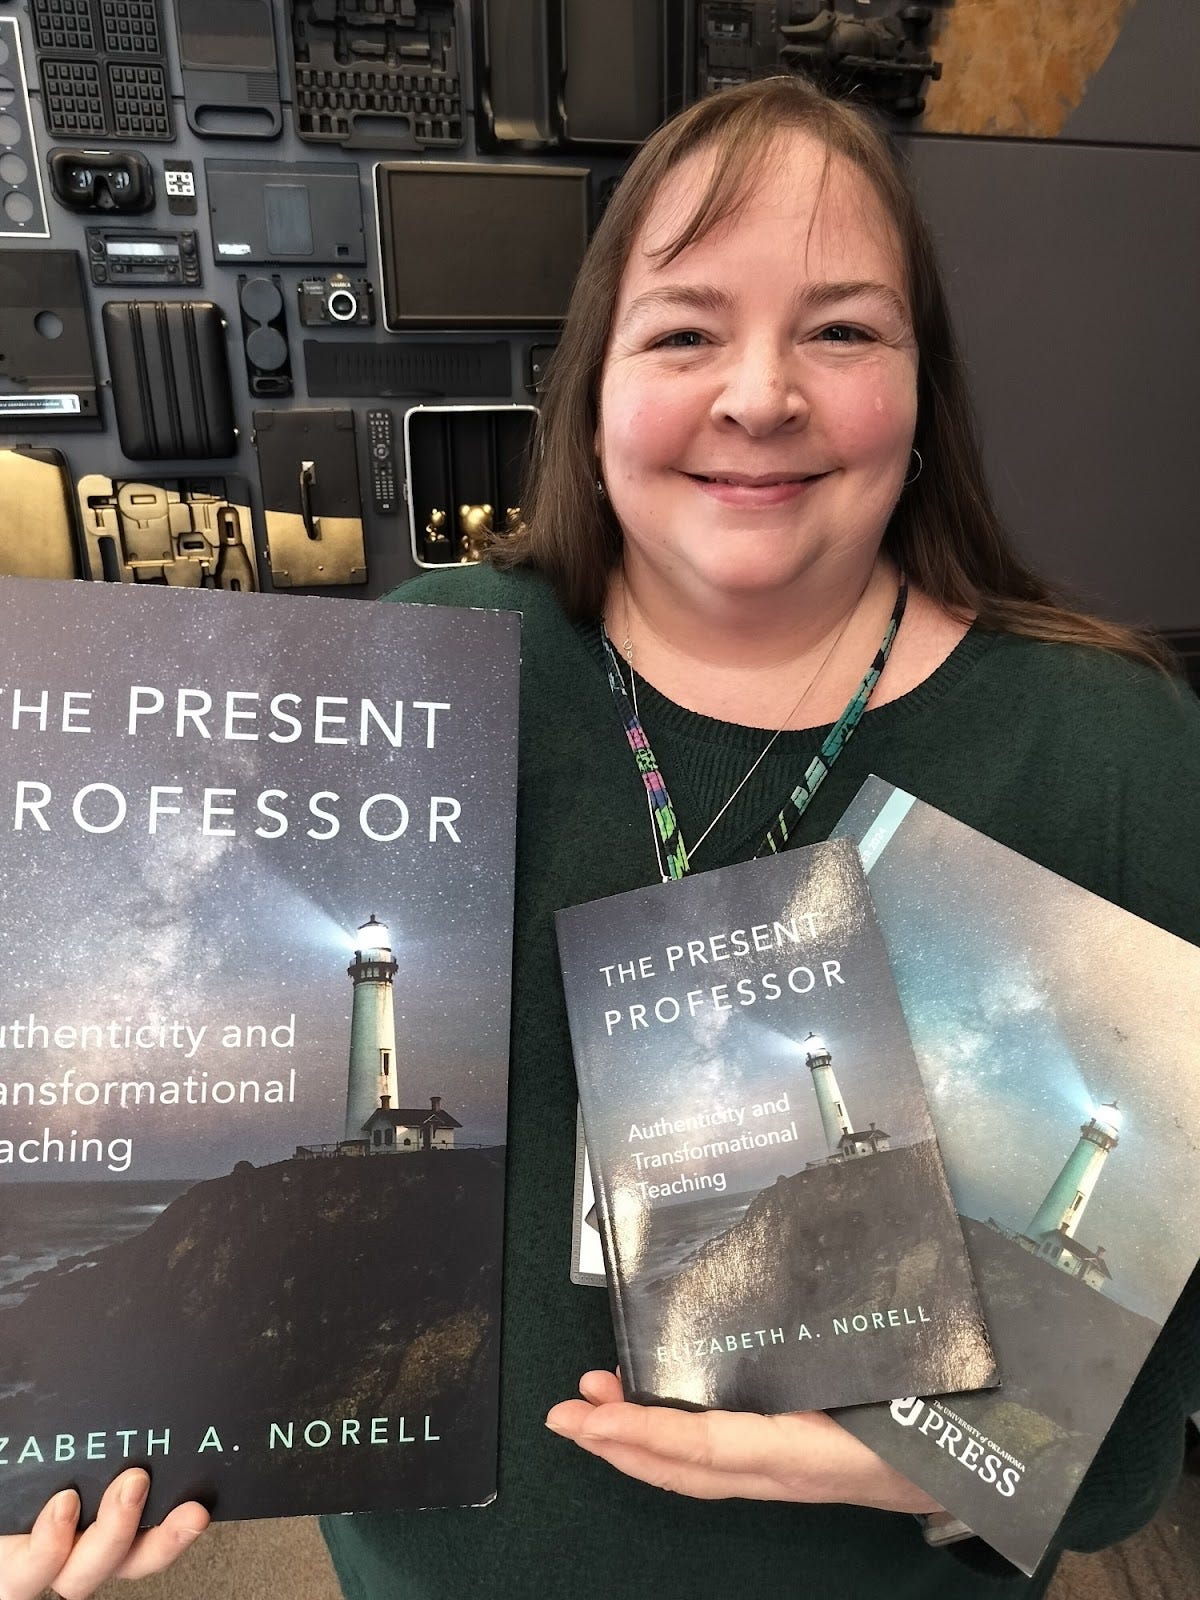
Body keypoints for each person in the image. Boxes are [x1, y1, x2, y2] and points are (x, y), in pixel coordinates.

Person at [6, 74, 1197, 1600]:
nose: (759, 393)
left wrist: (947, 1467)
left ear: (925, 384)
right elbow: (118, 1030)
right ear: (592, 383)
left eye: (840, 330)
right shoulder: (423, 671)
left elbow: (1124, 1439)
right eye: (686, 329)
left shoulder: (1113, 747)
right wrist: (57, 1446)